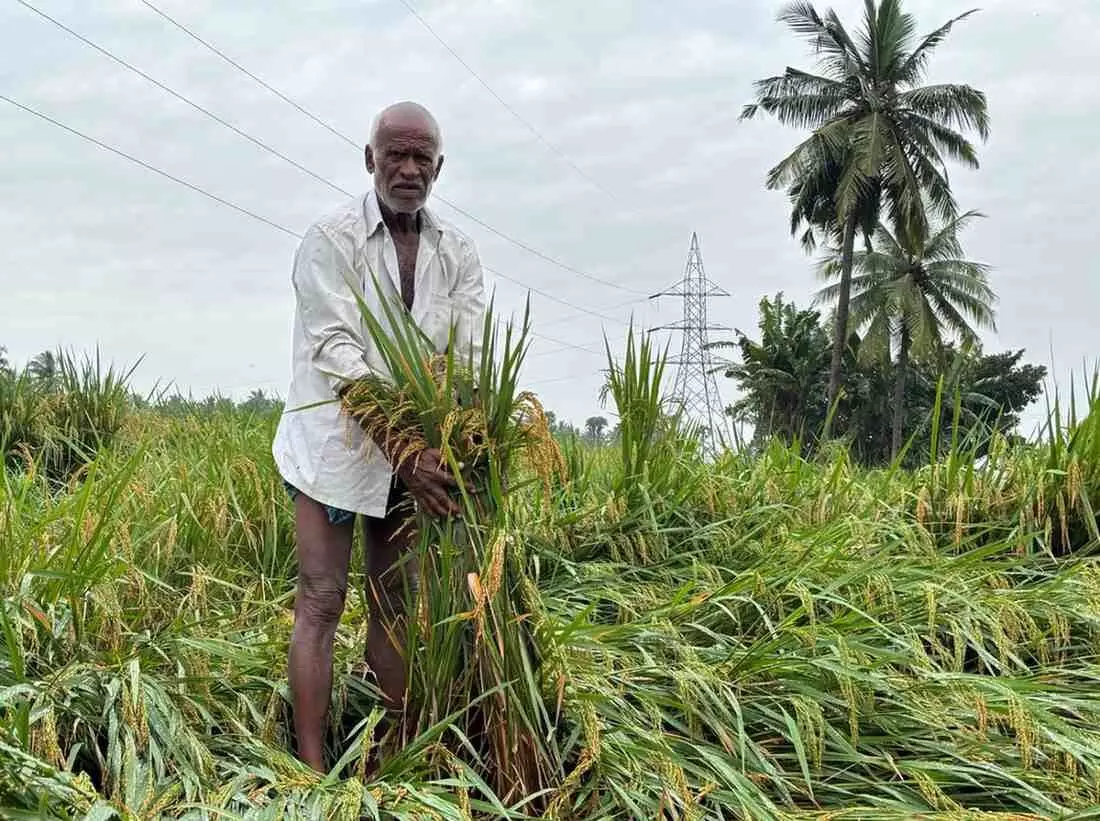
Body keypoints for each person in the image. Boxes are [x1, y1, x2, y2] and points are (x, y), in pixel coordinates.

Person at [271, 101, 486, 771]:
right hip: (334, 448)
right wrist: (404, 451)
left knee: (395, 600)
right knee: (323, 597)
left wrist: (467, 445)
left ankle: (389, 754)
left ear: (439, 169)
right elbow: (336, 350)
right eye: (395, 153)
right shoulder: (330, 240)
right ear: (370, 160)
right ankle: (310, 767)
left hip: (414, 458)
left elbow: (470, 359)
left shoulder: (457, 254)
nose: (408, 167)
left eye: (423, 157)